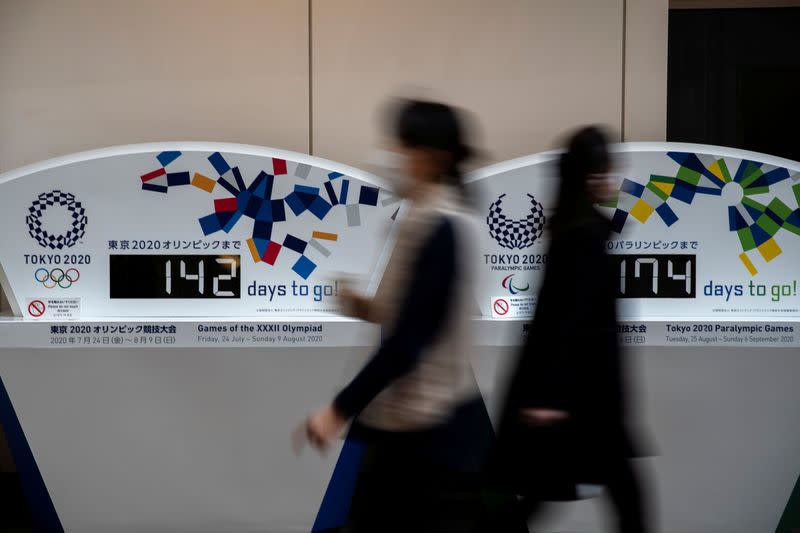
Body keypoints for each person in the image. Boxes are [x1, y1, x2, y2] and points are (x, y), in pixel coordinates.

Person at [301, 99, 487, 533]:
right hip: (408, 421)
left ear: (431, 155)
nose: (391, 157)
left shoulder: (440, 225)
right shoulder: (426, 218)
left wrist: (337, 410)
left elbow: (409, 339)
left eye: (401, 146)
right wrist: (359, 305)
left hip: (422, 424)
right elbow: (407, 312)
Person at [486, 126, 651, 533]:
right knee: (626, 504)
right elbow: (566, 322)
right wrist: (549, 397)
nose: (612, 179)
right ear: (589, 174)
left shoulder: (575, 230)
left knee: (549, 496)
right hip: (583, 401)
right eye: (605, 170)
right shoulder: (581, 236)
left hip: (580, 400)